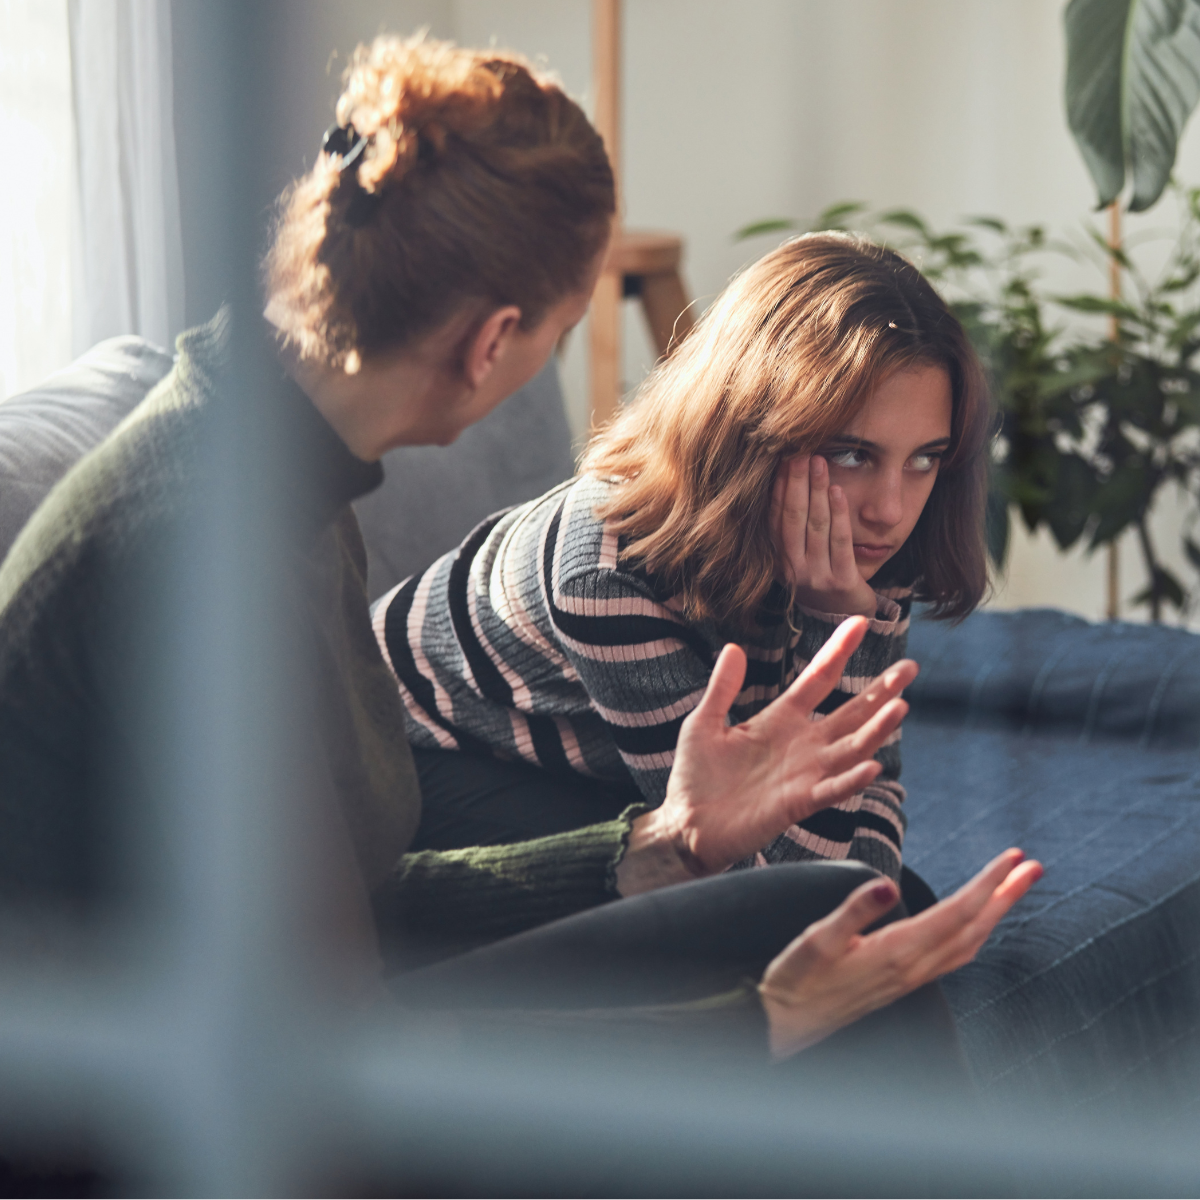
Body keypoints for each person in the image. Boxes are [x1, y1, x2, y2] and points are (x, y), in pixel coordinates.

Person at [0, 33, 1038, 1073]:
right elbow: (330, 1045)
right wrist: (757, 1021)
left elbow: (362, 913)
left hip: (267, 1024)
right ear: (494, 341)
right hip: (128, 1103)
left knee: (852, 928)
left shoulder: (277, 481)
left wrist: (663, 844)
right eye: (564, 326)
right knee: (845, 1006)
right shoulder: (197, 555)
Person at [375, 232, 991, 886]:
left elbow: (869, 806)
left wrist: (843, 620)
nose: (891, 510)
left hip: (608, 766)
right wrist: (839, 629)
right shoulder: (608, 569)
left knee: (893, 904)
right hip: (420, 760)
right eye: (851, 454)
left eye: (925, 458)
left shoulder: (862, 544)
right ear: (754, 431)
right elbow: (753, 876)